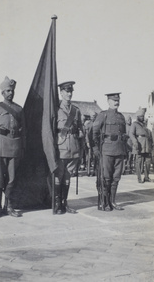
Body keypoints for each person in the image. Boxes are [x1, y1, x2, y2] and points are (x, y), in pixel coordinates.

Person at [0, 76, 26, 218]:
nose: (10, 93)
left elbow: (24, 131)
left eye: (12, 90)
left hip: (15, 146)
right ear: (2, 92)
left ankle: (9, 207)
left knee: (12, 179)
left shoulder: (19, 109)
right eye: (8, 90)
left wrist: (23, 148)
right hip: (0, 146)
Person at [93, 93, 126, 211]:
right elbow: (94, 133)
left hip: (119, 150)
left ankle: (113, 201)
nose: (116, 102)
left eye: (118, 100)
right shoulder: (103, 115)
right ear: (108, 101)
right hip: (106, 150)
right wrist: (95, 149)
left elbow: (123, 135)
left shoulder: (121, 117)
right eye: (113, 100)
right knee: (106, 177)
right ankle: (105, 202)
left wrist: (125, 151)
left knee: (116, 177)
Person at [54, 81, 84, 214]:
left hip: (73, 147)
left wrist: (80, 135)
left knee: (67, 177)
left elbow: (80, 130)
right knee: (59, 176)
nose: (69, 94)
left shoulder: (76, 110)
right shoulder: (56, 109)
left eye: (71, 91)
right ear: (61, 93)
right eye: (66, 91)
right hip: (61, 147)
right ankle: (56, 204)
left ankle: (64, 203)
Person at [130, 109, 153, 183]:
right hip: (139, 144)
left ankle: (146, 177)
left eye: (143, 116)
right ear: (138, 117)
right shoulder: (134, 124)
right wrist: (135, 142)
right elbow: (131, 134)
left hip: (146, 145)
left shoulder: (144, 125)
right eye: (141, 116)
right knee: (139, 162)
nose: (143, 117)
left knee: (148, 161)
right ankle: (139, 178)